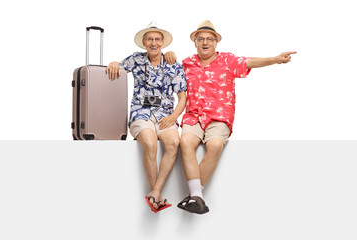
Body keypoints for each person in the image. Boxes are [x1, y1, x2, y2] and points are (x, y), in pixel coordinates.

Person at [164, 20, 296, 214]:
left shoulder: (227, 60)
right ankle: (196, 196)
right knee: (185, 142)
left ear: (216, 42)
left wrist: (275, 59)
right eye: (201, 39)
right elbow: (164, 71)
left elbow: (251, 62)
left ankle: (194, 195)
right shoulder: (186, 64)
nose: (205, 42)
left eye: (209, 39)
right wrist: (168, 56)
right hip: (193, 116)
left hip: (219, 116)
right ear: (195, 42)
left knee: (215, 145)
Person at [105, 21, 187, 213]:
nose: (153, 42)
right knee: (150, 144)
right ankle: (156, 195)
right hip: (141, 112)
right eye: (149, 39)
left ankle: (155, 192)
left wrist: (174, 116)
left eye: (157, 39)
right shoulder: (136, 59)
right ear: (143, 42)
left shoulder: (174, 65)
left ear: (163, 42)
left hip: (165, 114)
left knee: (174, 143)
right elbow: (118, 64)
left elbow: (182, 97)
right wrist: (113, 62)